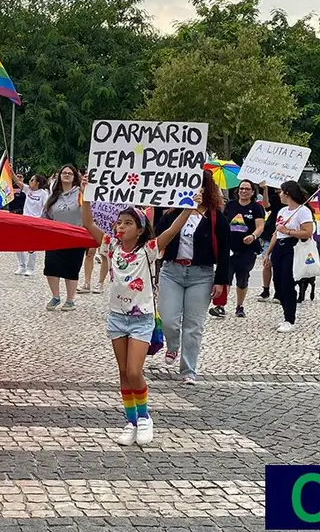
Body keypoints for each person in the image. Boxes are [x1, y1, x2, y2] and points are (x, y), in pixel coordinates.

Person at [79, 186, 190, 446]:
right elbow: (88, 221)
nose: (121, 227)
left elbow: (170, 232)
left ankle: (144, 418)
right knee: (122, 372)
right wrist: (86, 194)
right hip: (117, 317)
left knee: (134, 371)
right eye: (119, 222)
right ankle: (130, 421)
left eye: (128, 223)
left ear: (139, 229)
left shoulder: (148, 249)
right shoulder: (110, 246)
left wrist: (187, 208)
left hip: (142, 319)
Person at [155, 174, 231, 384]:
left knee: (193, 325)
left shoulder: (216, 218)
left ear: (206, 189)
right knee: (168, 318)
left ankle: (188, 370)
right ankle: (172, 345)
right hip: (172, 270)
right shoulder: (172, 214)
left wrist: (220, 280)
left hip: (201, 274)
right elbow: (157, 239)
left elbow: (224, 250)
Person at [261, 181, 315, 333]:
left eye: (281, 191)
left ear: (287, 193)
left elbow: (308, 232)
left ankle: (289, 318)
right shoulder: (283, 211)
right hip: (279, 246)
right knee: (277, 283)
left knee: (287, 283)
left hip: (293, 247)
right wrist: (268, 253)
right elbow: (276, 234)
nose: (279, 194)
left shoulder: (303, 211)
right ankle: (285, 313)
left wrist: (288, 231)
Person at [42, 165, 85, 310]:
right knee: (51, 266)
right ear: (59, 176)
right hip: (55, 237)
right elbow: (45, 217)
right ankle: (55, 296)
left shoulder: (81, 193)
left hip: (76, 236)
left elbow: (88, 211)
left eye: (70, 173)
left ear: (75, 177)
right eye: (64, 173)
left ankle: (70, 299)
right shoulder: (53, 197)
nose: (66, 175)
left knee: (72, 268)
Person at [222, 180, 266, 318]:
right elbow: (223, 223)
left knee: (242, 279)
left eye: (247, 189)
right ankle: (220, 305)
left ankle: (239, 306)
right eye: (242, 188)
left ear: (253, 192)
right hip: (229, 248)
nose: (244, 191)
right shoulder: (230, 205)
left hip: (247, 249)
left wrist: (253, 236)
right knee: (225, 277)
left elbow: (260, 226)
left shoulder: (257, 208)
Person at [15, 174, 48, 275]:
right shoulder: (27, 190)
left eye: (32, 180)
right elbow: (17, 182)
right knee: (18, 244)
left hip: (36, 222)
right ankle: (21, 266)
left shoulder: (43, 193)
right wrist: (10, 170)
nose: (30, 181)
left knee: (32, 246)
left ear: (37, 183)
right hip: (24, 220)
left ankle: (31, 268)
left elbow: (46, 207)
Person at [256, 181, 283, 302]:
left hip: (284, 235)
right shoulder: (275, 198)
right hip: (270, 232)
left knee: (279, 265)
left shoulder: (294, 200)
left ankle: (279, 291)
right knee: (267, 263)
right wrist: (265, 190)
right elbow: (266, 205)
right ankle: (265, 289)